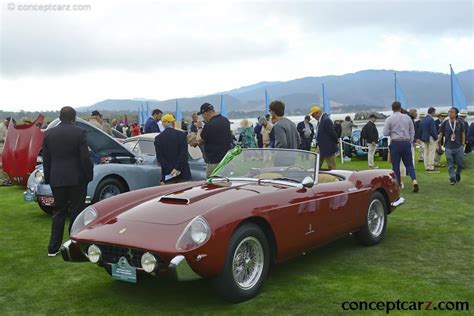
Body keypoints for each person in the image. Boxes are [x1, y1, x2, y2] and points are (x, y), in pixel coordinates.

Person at [43, 106, 93, 256]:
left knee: (58, 212)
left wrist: (48, 178)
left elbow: (46, 158)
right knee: (77, 212)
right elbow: (85, 158)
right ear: (74, 118)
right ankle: (73, 245)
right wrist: (88, 175)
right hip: (77, 178)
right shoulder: (79, 132)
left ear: (60, 117)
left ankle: (53, 248)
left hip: (57, 178)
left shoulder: (49, 133)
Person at [383, 101, 418, 192]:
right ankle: (414, 180)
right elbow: (412, 131)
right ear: (400, 107)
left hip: (395, 143)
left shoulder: (389, 119)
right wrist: (410, 140)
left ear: (392, 108)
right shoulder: (407, 118)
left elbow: (385, 133)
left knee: (396, 165)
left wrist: (392, 131)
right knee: (409, 164)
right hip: (406, 142)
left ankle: (398, 184)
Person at [196, 103, 233, 176]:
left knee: (213, 185)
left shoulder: (210, 125)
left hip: (214, 162)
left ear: (206, 113)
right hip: (226, 159)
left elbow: (199, 140)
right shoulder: (225, 120)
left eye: (202, 115)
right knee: (226, 183)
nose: (203, 117)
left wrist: (199, 128)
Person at [154, 114, 191, 184]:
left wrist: (171, 170)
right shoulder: (182, 135)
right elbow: (184, 153)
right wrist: (177, 168)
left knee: (170, 193)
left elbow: (160, 158)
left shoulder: (158, 138)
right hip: (183, 172)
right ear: (173, 123)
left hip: (168, 174)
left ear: (163, 124)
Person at [438, 107, 465, 185]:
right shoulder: (445, 123)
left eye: (452, 112)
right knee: (450, 163)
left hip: (459, 146)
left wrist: (463, 144)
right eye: (449, 112)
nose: (450, 113)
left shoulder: (460, 123)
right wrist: (438, 143)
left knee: (460, 164)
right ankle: (452, 178)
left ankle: (457, 173)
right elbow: (441, 133)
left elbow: (463, 134)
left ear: (456, 114)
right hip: (448, 147)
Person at [309, 106, 338, 170]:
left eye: (313, 115)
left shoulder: (326, 120)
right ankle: (317, 177)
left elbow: (332, 133)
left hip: (328, 147)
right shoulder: (322, 120)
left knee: (331, 166)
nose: (313, 117)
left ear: (318, 113)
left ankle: (335, 179)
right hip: (321, 146)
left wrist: (336, 142)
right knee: (315, 164)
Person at [420, 107, 438, 172]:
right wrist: (436, 137)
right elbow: (433, 130)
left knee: (426, 152)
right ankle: (431, 166)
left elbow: (420, 130)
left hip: (424, 137)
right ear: (432, 112)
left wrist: (421, 137)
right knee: (431, 152)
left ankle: (426, 166)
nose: (435, 114)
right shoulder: (431, 119)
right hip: (431, 137)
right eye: (434, 112)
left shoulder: (423, 119)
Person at [0, 117, 13, 186]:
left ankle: (7, 180)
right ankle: (3, 181)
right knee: (1, 165)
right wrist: (8, 139)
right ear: (8, 121)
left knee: (5, 165)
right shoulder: (1, 127)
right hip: (1, 148)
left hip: (6, 149)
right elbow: (1, 138)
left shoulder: (6, 126)